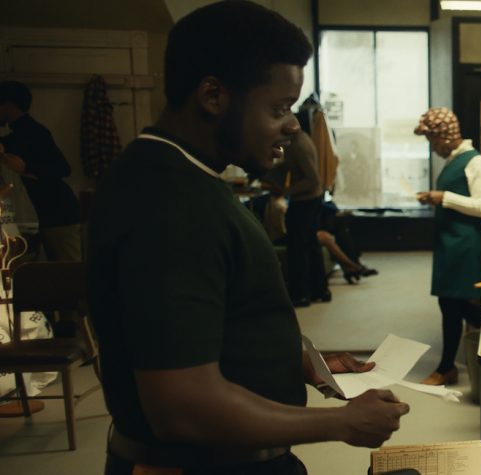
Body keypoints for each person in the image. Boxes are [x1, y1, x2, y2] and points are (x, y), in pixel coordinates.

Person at [87, 4, 409, 474]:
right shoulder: (170, 204)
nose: (294, 125)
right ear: (213, 95)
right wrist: (340, 423)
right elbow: (184, 407)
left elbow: (219, 320)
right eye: (279, 108)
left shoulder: (185, 177)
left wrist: (303, 360)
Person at [414, 107, 481, 386]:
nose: (433, 147)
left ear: (446, 137)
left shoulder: (476, 162)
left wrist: (443, 196)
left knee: (453, 303)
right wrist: (437, 198)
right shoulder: (454, 160)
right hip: (450, 240)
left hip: (465, 242)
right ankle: (454, 361)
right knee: (450, 302)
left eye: (433, 141)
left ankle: (447, 366)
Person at [0, 80, 82, 261]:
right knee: (61, 272)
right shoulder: (23, 133)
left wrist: (27, 168)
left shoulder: (31, 132)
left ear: (9, 105)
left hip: (58, 213)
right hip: (51, 214)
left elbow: (63, 168)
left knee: (70, 272)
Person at [267, 130, 330, 307]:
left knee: (297, 248)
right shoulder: (299, 139)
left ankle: (301, 294)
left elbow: (312, 180)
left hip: (306, 201)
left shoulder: (298, 145)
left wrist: (285, 192)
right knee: (311, 244)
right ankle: (320, 290)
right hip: (312, 199)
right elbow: (292, 165)